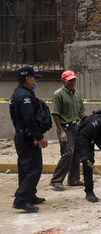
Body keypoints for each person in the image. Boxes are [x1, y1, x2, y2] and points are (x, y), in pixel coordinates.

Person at [9, 66, 48, 212]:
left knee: (25, 168)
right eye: (34, 78)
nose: (36, 80)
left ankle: (30, 195)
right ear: (28, 79)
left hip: (22, 136)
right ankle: (20, 200)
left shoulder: (18, 93)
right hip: (28, 137)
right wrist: (40, 137)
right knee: (34, 169)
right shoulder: (25, 96)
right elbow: (29, 120)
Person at [50, 70, 85, 191]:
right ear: (63, 81)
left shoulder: (77, 94)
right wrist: (61, 131)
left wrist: (85, 124)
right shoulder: (58, 94)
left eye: (73, 80)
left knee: (76, 153)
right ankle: (56, 180)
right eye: (69, 80)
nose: (72, 82)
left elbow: (81, 112)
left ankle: (74, 179)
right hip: (65, 126)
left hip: (76, 126)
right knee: (68, 153)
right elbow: (55, 113)